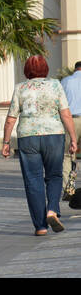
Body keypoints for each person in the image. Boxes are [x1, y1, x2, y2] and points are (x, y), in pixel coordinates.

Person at [1, 55, 77, 236]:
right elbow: (66, 114)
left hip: (28, 137)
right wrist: (73, 138)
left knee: (33, 180)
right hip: (53, 135)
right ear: (46, 69)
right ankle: (52, 209)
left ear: (27, 70)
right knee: (55, 175)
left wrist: (5, 142)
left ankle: (40, 226)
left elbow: (11, 118)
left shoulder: (20, 88)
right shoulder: (55, 85)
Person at [61, 61, 81, 210]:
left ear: (75, 69)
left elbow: (60, 103)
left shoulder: (66, 81)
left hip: (71, 120)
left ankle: (69, 189)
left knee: (68, 155)